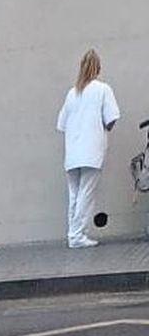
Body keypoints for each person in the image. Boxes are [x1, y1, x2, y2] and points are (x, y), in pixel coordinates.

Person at [57, 49, 120, 248]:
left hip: (72, 152)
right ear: (98, 68)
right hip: (91, 150)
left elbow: (61, 124)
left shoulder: (72, 93)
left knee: (74, 194)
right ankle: (78, 235)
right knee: (86, 193)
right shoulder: (103, 89)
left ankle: (73, 234)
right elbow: (111, 119)